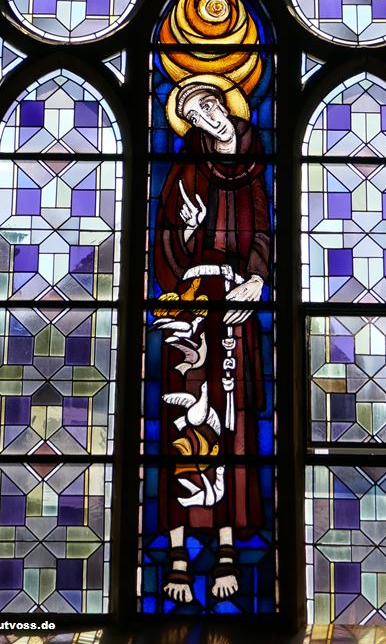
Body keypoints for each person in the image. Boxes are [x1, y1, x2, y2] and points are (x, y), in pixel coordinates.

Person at [152, 80, 270, 602]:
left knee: (233, 425)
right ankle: (178, 556)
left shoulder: (255, 163)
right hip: (190, 306)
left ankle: (226, 551)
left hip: (236, 307)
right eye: (196, 114)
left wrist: (256, 280)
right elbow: (165, 234)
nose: (207, 116)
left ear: (224, 104)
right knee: (182, 426)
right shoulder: (186, 167)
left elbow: (263, 229)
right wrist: (187, 233)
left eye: (210, 105)